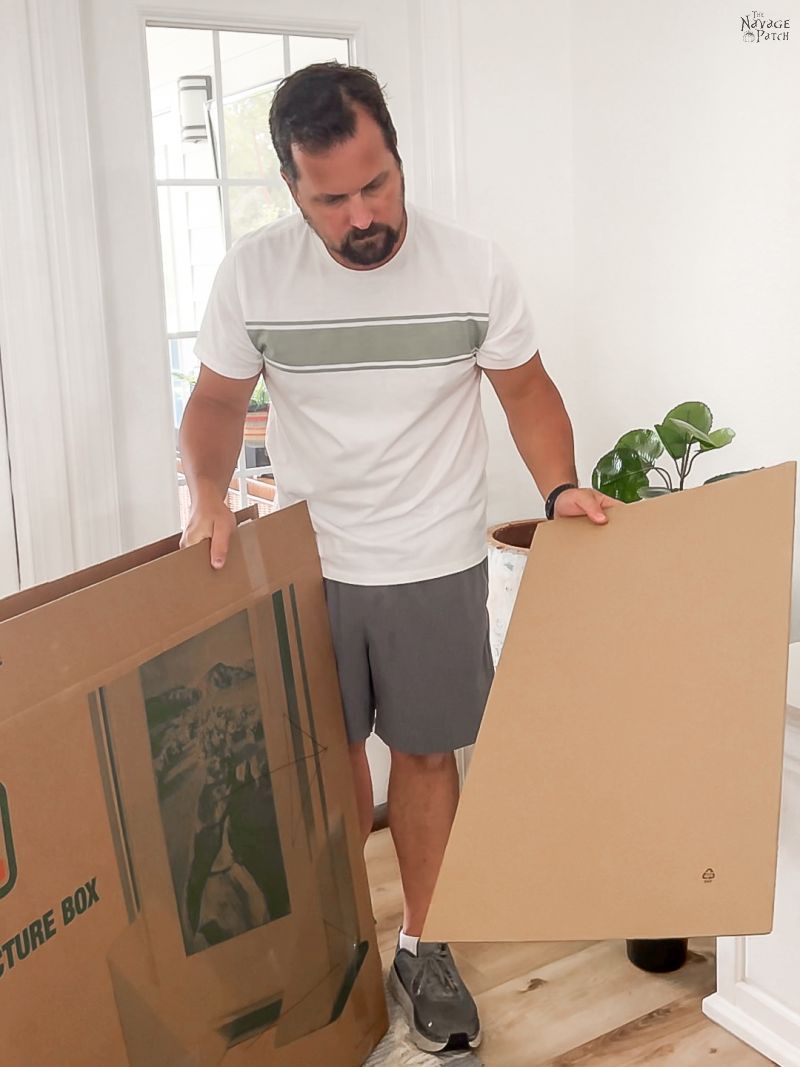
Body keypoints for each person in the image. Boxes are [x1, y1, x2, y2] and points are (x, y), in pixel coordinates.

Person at [179, 61, 618, 1053]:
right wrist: (206, 492)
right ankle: (339, 943)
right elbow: (211, 403)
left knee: (424, 753)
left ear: (395, 156)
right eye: (331, 197)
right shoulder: (253, 274)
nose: (361, 211)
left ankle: (426, 944)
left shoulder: (473, 268)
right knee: (322, 758)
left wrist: (557, 487)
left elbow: (525, 390)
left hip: (431, 552)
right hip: (311, 558)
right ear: (293, 188)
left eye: (376, 182)